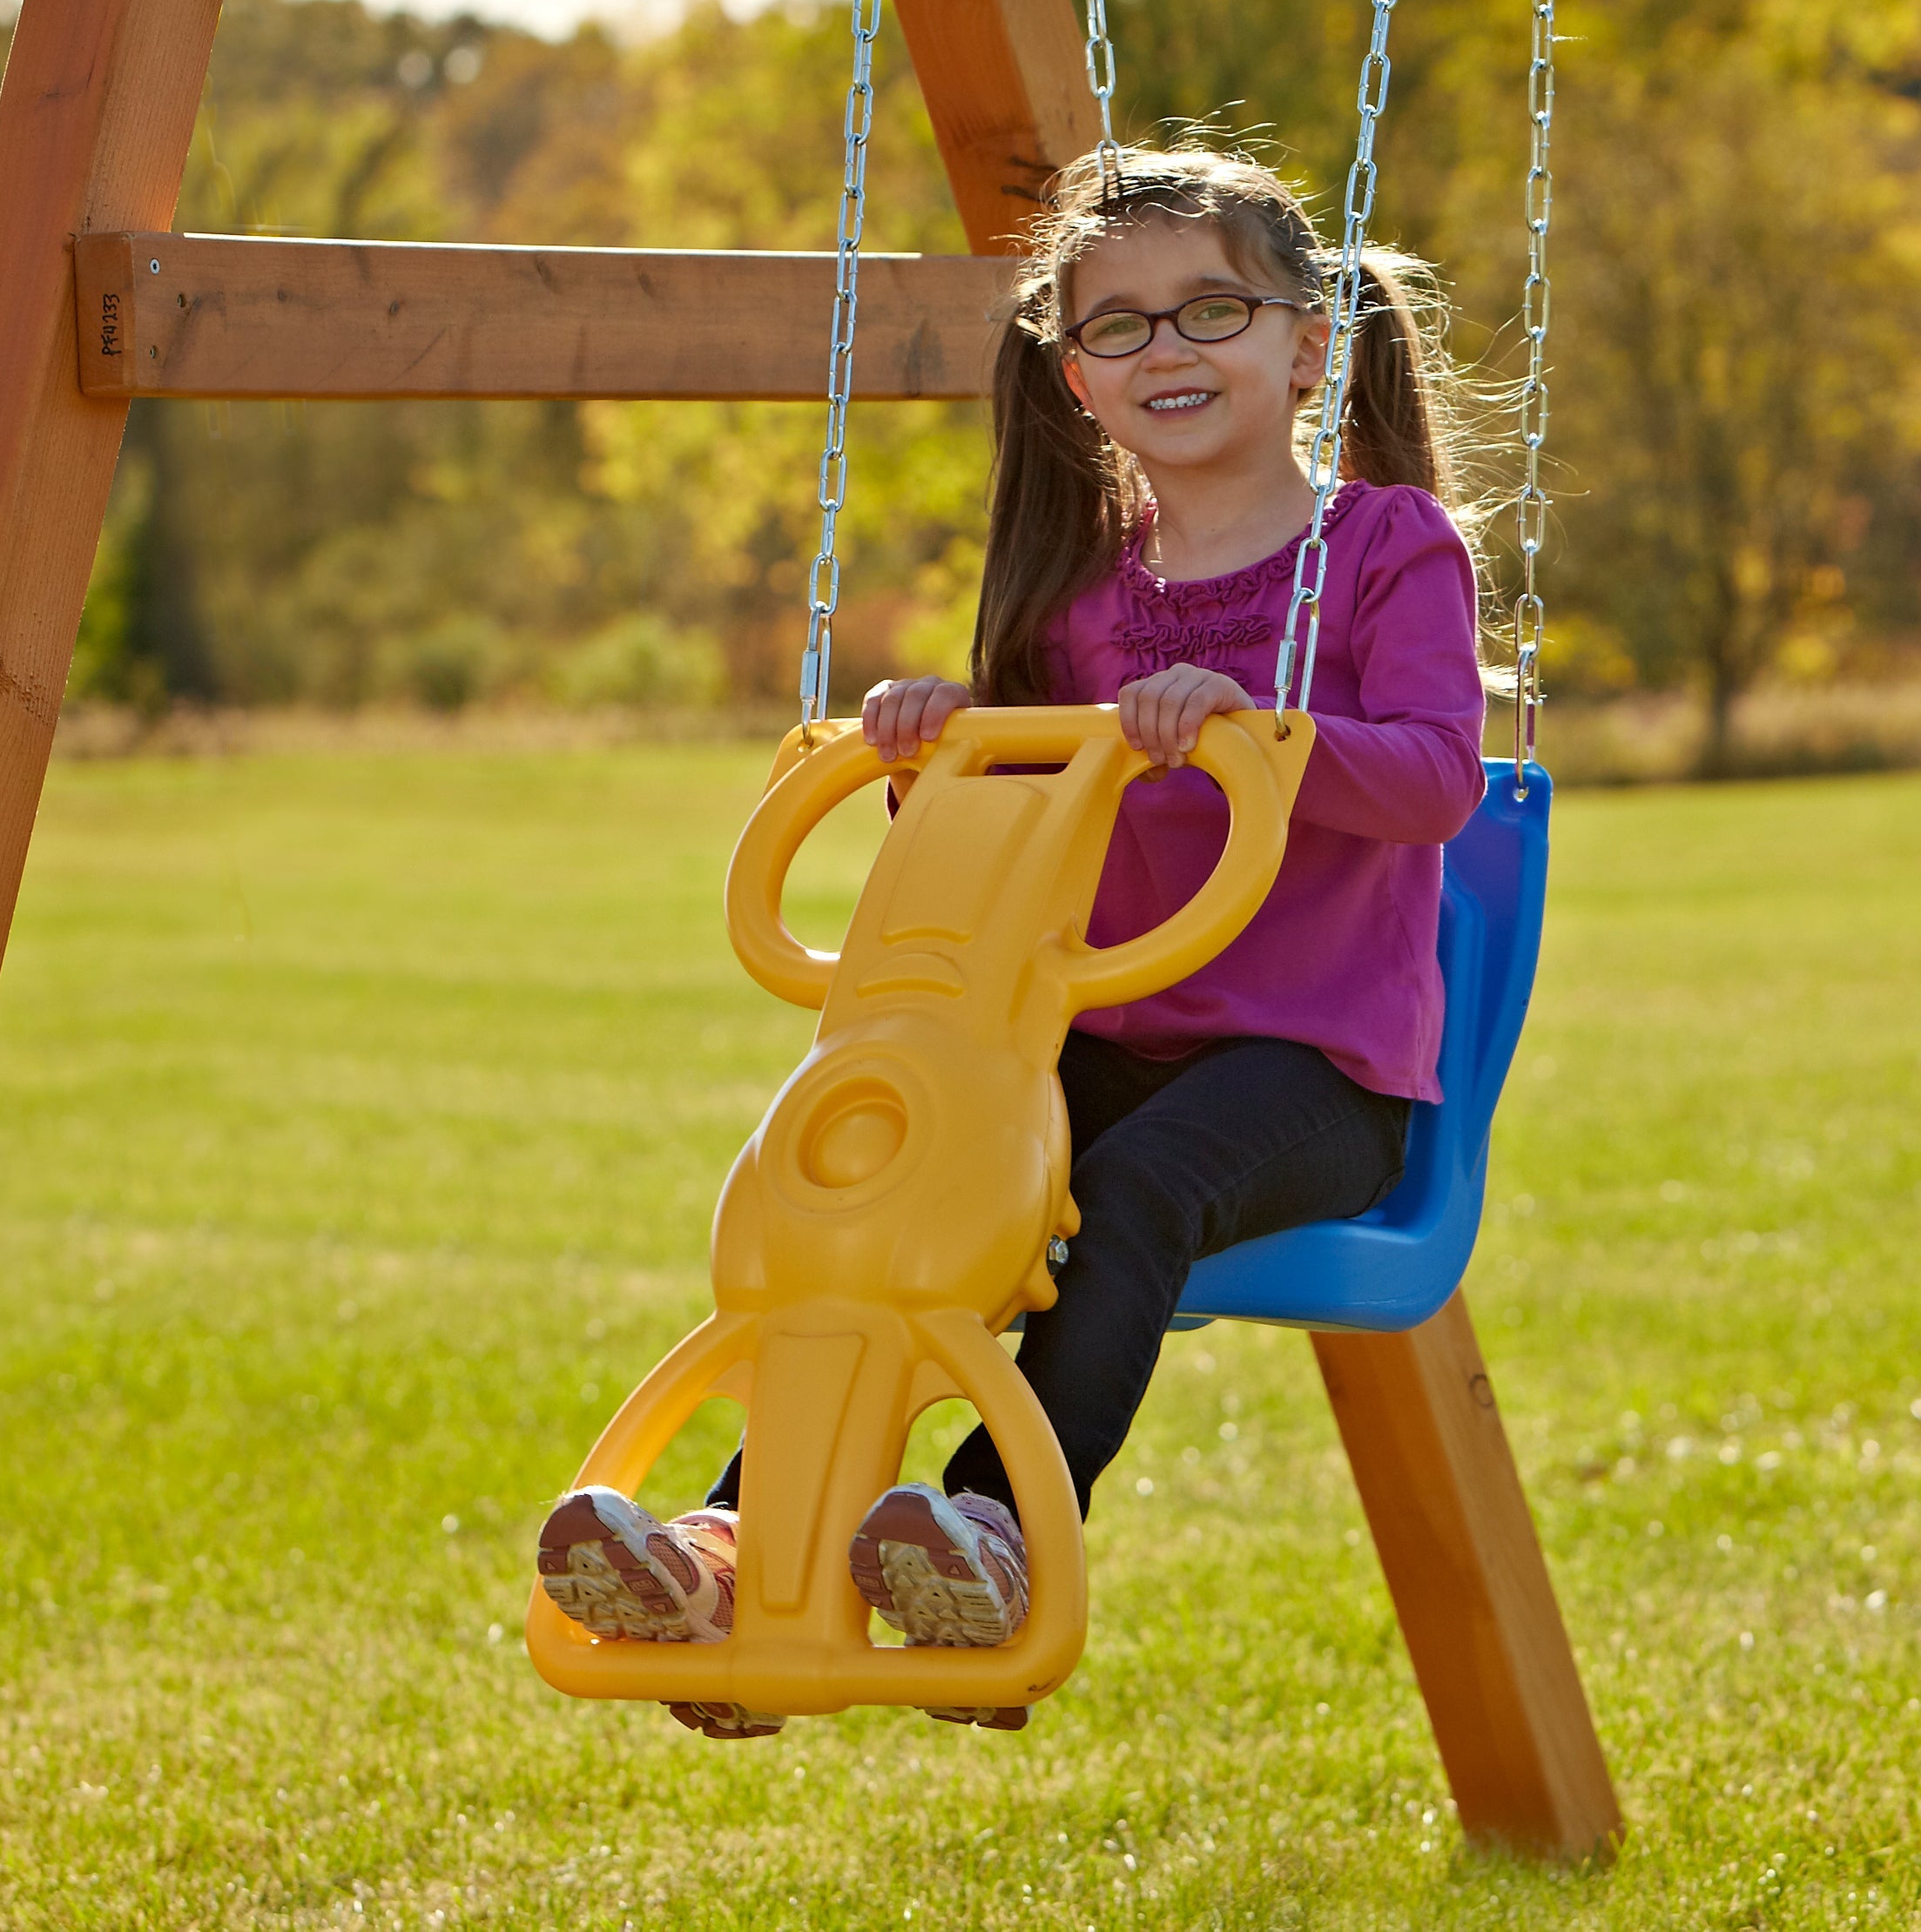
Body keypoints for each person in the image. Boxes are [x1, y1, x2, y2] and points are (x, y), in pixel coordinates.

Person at [536, 144, 1489, 1740]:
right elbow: (1001, 819)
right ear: (1075, 374)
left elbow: (1437, 777)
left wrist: (1261, 733)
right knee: (882, 1196)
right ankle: (737, 1539)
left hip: (1318, 1070)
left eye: (1211, 313)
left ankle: (992, 1534)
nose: (1166, 351)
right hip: (1086, 1031)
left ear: (1306, 344)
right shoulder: (1080, 587)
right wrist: (938, 737)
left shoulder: (1386, 548)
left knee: (1138, 1189)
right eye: (1118, 327)